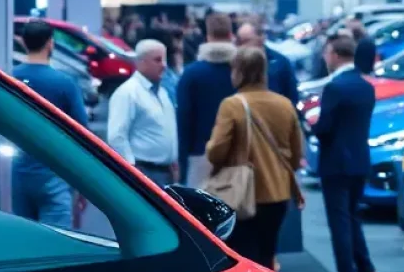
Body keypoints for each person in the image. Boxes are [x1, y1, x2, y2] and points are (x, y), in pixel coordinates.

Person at [205, 47, 304, 269]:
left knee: (243, 258)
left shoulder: (232, 105)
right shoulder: (284, 104)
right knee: (267, 254)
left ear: (238, 71)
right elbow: (297, 154)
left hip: (243, 194)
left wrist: (211, 149)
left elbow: (216, 151)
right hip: (278, 193)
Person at [313, 33, 376, 272]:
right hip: (360, 160)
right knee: (352, 218)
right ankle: (365, 269)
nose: (325, 58)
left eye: (327, 53)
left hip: (336, 164)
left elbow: (325, 128)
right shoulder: (366, 86)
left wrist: (311, 126)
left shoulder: (335, 88)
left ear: (336, 55)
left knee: (339, 223)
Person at [11, 18, 89, 228]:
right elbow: (82, 137)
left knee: (25, 240)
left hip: (19, 171)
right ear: (50, 43)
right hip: (55, 172)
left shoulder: (9, 79)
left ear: (24, 43)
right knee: (57, 243)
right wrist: (84, 185)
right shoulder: (64, 83)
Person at [107, 38, 179, 187]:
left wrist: (173, 161)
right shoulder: (127, 93)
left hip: (165, 172)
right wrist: (131, 168)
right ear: (141, 62)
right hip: (144, 171)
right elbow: (116, 136)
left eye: (164, 60)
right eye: (157, 60)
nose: (164, 65)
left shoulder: (162, 92)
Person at [176, 12, 237, 188]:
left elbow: (184, 120)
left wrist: (182, 162)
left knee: (198, 212)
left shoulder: (191, 74)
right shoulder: (242, 72)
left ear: (207, 36)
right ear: (230, 35)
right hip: (237, 154)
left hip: (199, 154)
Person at [236, 18, 299, 106]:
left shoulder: (280, 63)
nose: (241, 46)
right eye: (239, 41)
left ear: (261, 39)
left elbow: (292, 96)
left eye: (246, 41)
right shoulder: (235, 63)